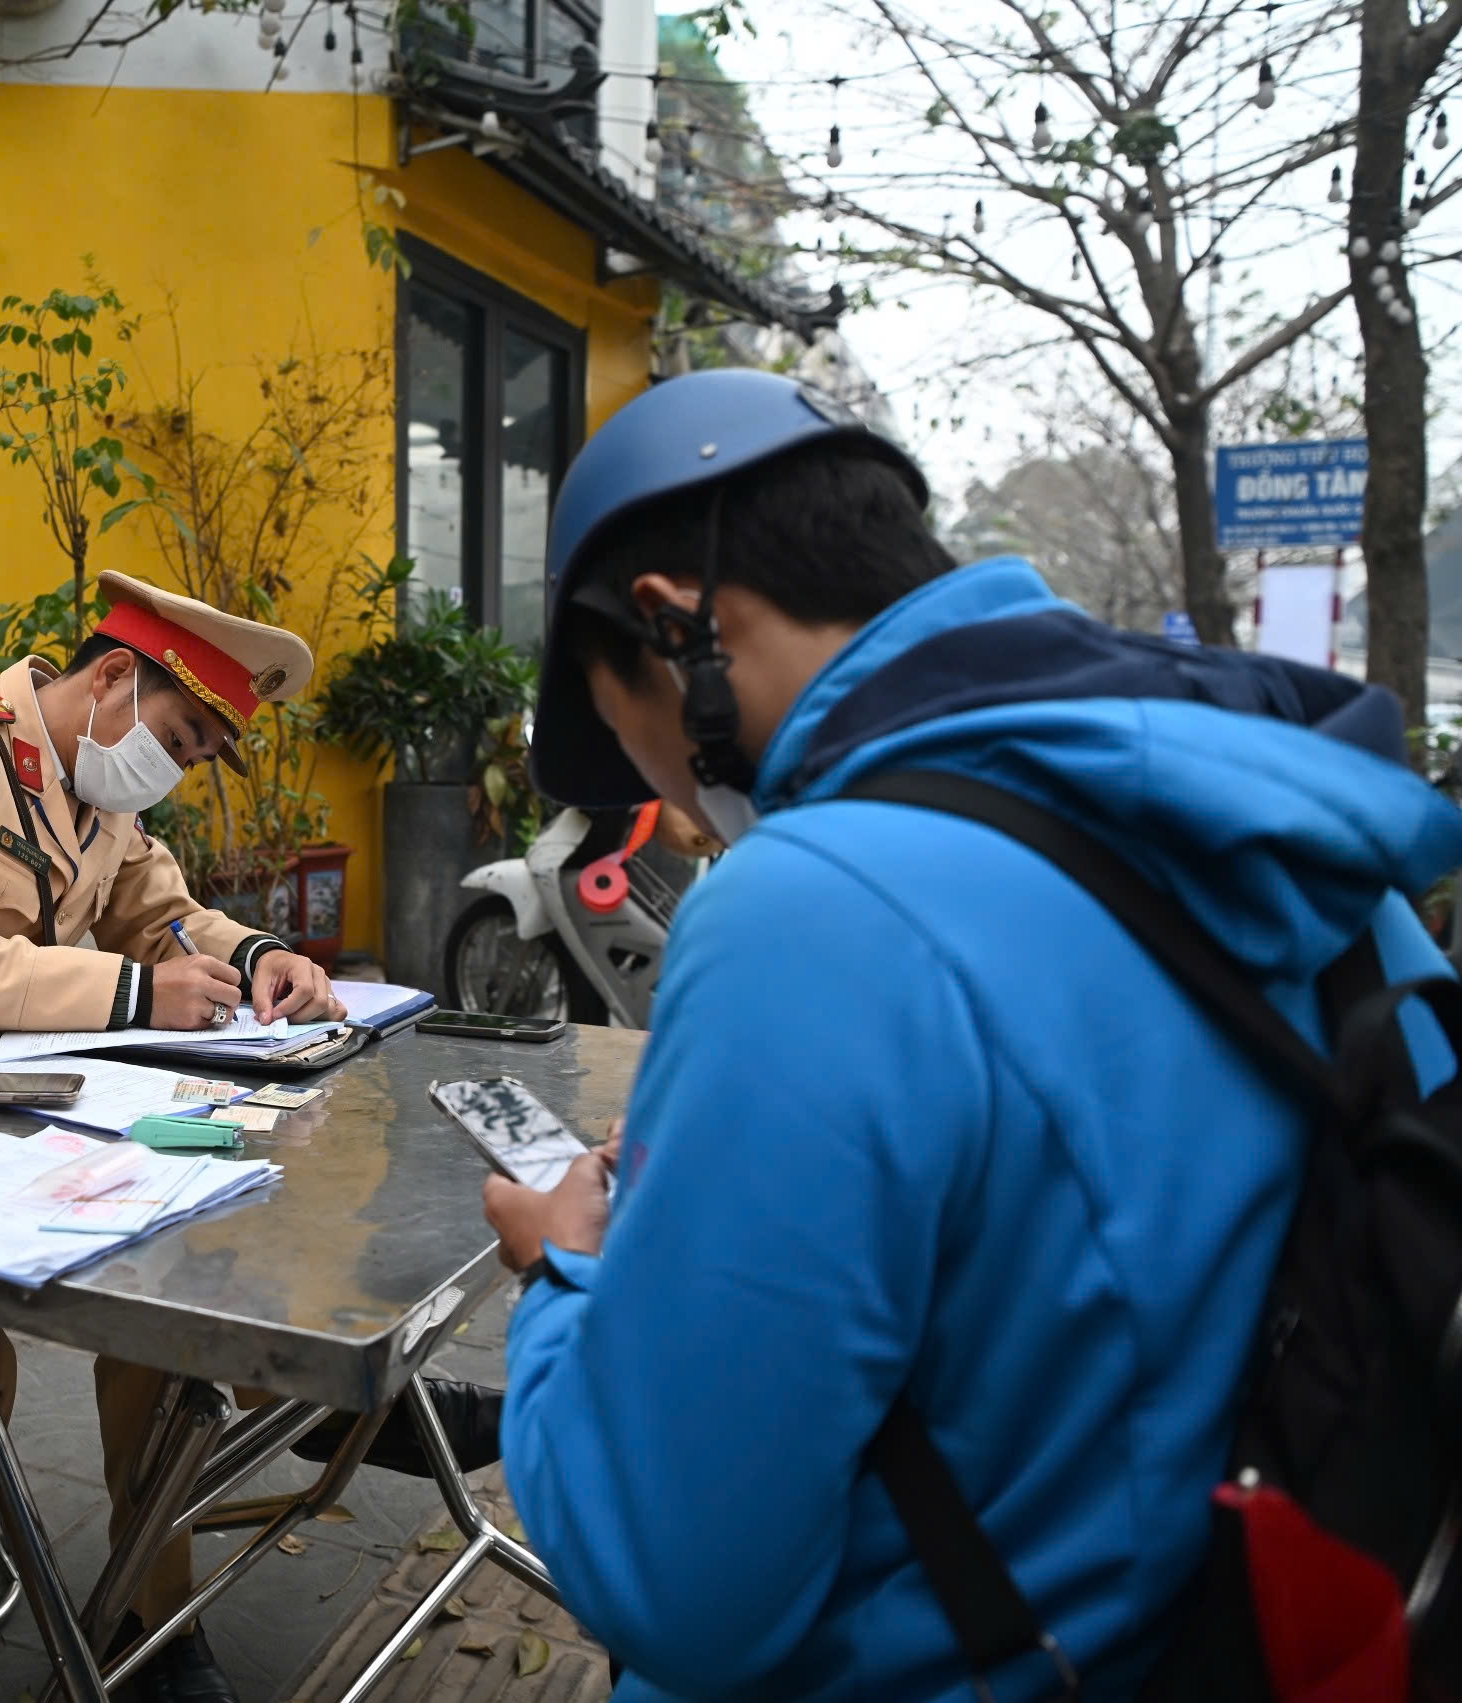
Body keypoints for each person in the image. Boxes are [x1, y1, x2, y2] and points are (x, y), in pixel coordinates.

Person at [484, 369, 1462, 1701]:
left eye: (627, 733)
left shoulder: (813, 904)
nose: (679, 807)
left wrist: (566, 1279)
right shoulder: (1275, 815)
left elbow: (674, 1586)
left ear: (675, 630)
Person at [0, 573, 498, 1702]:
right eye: (181, 735)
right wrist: (134, 993)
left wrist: (257, 953)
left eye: (200, 751)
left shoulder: (103, 796)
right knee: (116, 1287)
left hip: (17, 1103)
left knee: (197, 1229)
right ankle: (330, 1407)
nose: (180, 765)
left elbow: (164, 911)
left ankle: (148, 1627)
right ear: (111, 677)